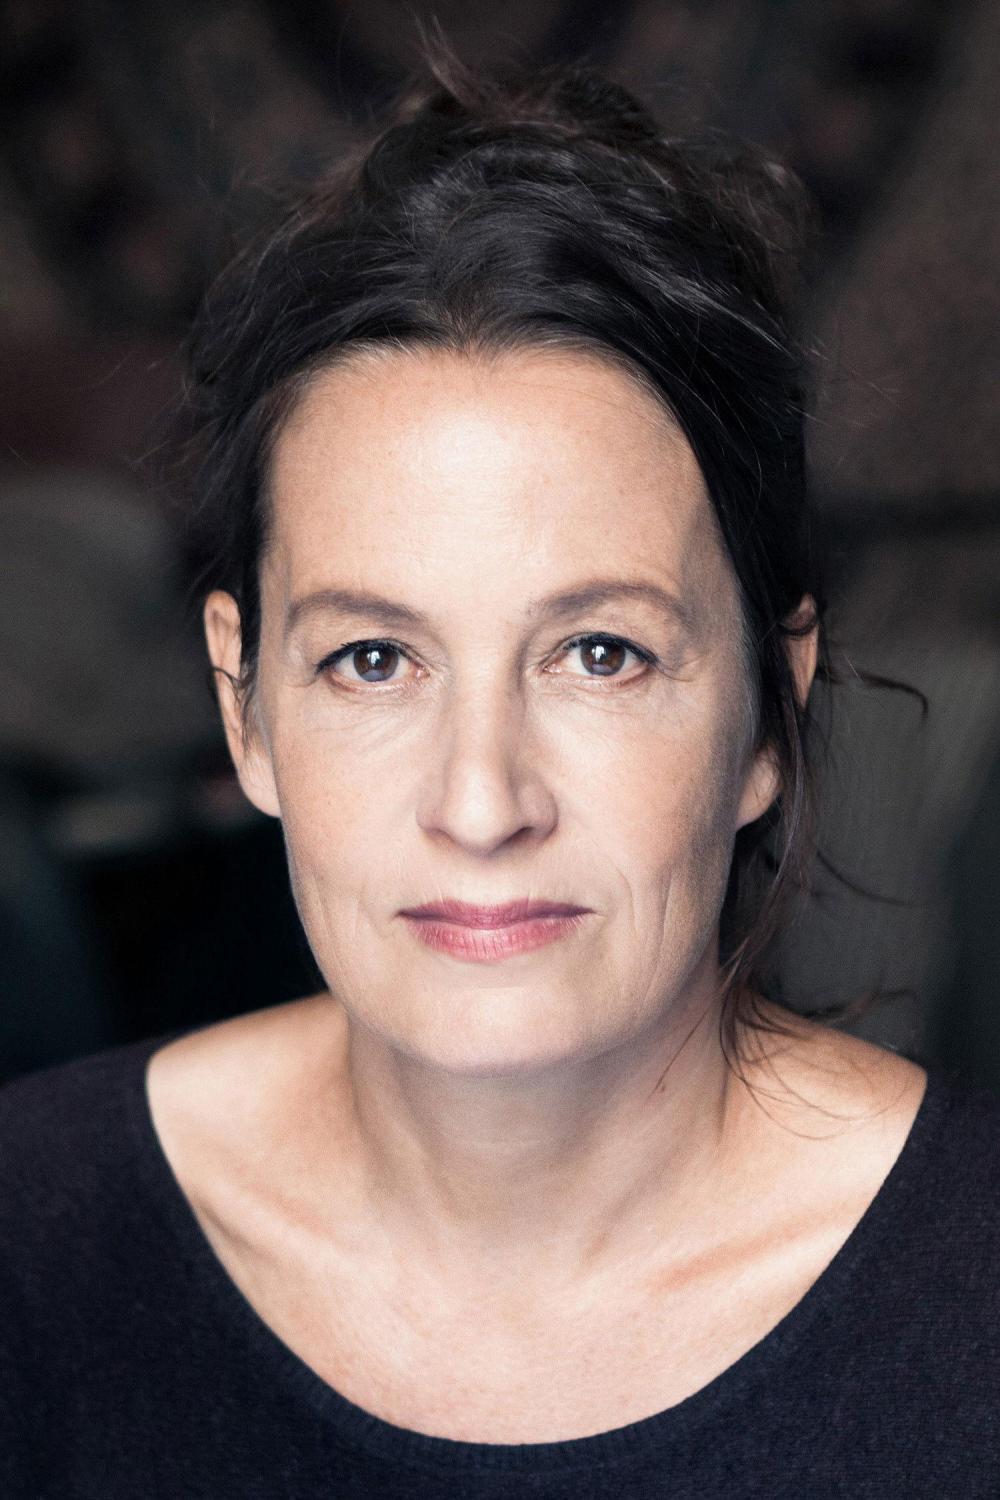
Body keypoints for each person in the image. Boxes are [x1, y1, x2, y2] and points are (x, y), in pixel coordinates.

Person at [2, 44, 999, 1499]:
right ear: (245, 708)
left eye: (599, 654)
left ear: (768, 714)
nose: (481, 804)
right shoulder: (29, 1244)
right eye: (373, 660)